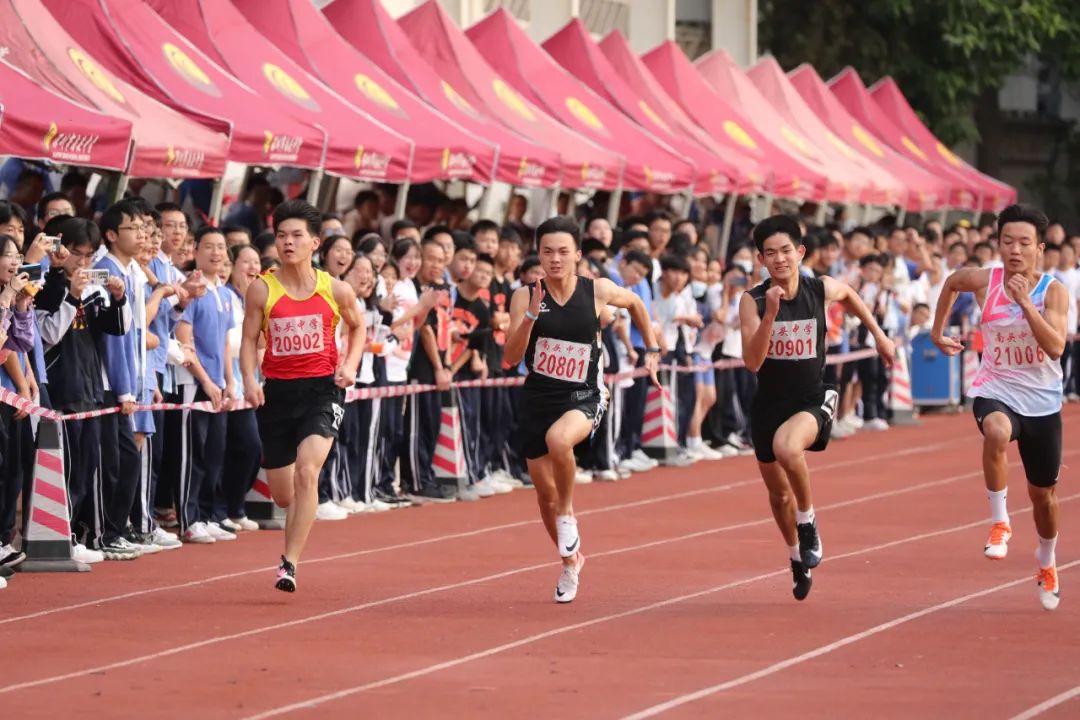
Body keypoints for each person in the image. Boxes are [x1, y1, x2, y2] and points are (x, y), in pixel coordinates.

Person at [504, 216, 660, 604]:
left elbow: (636, 302)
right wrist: (530, 316)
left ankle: (568, 513)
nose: (554, 259)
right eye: (547, 252)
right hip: (538, 398)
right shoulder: (524, 296)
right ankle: (570, 562)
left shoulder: (597, 290)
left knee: (560, 441)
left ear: (577, 254)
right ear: (538, 255)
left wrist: (652, 349)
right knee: (544, 496)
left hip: (584, 395)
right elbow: (510, 357)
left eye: (562, 252)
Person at [740, 215, 895, 601]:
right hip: (769, 404)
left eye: (786, 251)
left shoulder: (819, 288)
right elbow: (753, 362)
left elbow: (850, 295)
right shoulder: (752, 301)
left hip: (812, 398)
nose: (779, 259)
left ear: (800, 252)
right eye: (771, 253)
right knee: (779, 496)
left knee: (787, 446)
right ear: (761, 259)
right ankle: (797, 556)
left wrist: (879, 336)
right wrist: (770, 315)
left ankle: (808, 521)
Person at [930, 204, 1069, 611]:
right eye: (1007, 241)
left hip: (1041, 403)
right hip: (996, 388)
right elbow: (952, 282)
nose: (1015, 250)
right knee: (995, 430)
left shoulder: (1053, 291)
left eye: (1024, 243)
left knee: (1043, 497)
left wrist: (1026, 304)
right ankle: (1000, 522)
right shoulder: (984, 280)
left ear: (1039, 248)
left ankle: (1046, 560)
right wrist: (937, 332)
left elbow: (1056, 347)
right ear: (998, 244)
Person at [240, 200, 365, 593]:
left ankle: (289, 563)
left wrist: (350, 365)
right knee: (283, 495)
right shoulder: (262, 288)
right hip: (277, 394)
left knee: (308, 472)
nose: (288, 243)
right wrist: (249, 380)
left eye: (297, 236)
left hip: (322, 390)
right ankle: (296, 521)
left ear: (315, 242)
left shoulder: (335, 288)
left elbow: (358, 327)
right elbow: (248, 339)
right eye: (281, 236)